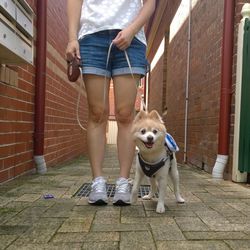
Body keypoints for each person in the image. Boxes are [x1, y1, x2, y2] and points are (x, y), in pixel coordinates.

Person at [66, 0, 155, 206]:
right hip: (91, 38)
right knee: (97, 112)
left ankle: (123, 182)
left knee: (125, 114)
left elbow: (150, 4)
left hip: (130, 40)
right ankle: (98, 182)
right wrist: (72, 38)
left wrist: (132, 30)